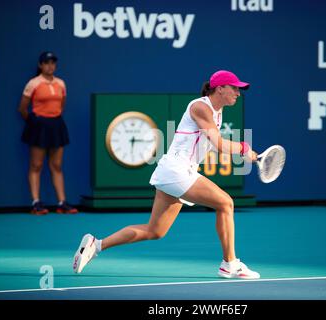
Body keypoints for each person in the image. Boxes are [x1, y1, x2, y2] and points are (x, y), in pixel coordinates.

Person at [72, 70, 260, 279]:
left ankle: (96, 245)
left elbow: (213, 145)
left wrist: (241, 151)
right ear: (220, 88)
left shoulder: (217, 111)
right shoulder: (200, 106)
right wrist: (244, 148)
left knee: (155, 231)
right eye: (234, 88)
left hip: (176, 171)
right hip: (177, 170)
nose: (238, 93)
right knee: (226, 203)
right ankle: (230, 263)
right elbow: (219, 144)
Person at [18, 51, 78, 215]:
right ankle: (36, 202)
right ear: (40, 65)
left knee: (56, 165)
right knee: (36, 165)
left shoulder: (61, 84)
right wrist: (35, 122)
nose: (50, 66)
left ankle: (61, 202)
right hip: (39, 126)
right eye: (46, 62)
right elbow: (23, 108)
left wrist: (53, 118)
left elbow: (61, 106)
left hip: (56, 125)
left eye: (52, 63)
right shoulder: (33, 83)